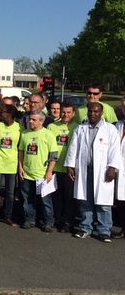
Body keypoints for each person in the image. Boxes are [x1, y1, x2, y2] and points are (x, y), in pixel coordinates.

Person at [65, 102, 122, 242]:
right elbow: (73, 148)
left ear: (101, 113)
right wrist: (70, 165)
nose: (92, 114)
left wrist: (112, 167)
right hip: (84, 169)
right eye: (90, 111)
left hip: (103, 171)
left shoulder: (110, 129)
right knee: (85, 200)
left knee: (103, 202)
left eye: (96, 112)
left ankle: (104, 231)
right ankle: (85, 228)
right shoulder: (81, 128)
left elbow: (115, 150)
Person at [18, 111, 58, 232]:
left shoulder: (48, 134)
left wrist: (49, 171)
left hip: (42, 174)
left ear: (41, 121)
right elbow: (21, 152)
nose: (30, 122)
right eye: (30, 119)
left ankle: (48, 222)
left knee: (45, 201)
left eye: (34, 120)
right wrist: (20, 167)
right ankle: (29, 220)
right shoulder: (25, 133)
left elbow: (53, 155)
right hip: (27, 173)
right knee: (27, 199)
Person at [47, 101, 78, 232]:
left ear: (74, 113)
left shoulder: (78, 127)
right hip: (54, 167)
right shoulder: (51, 126)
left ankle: (67, 222)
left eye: (68, 112)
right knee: (55, 197)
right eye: (63, 112)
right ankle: (56, 219)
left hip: (69, 169)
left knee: (69, 197)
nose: (65, 115)